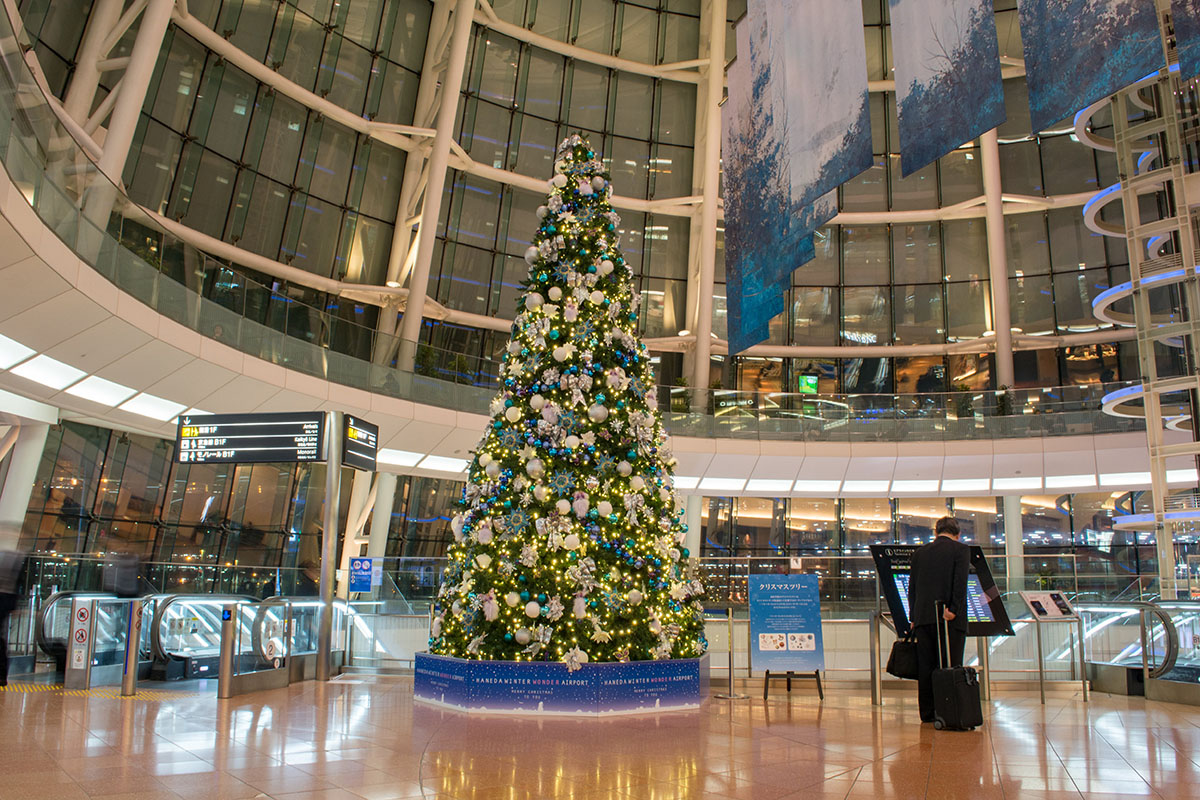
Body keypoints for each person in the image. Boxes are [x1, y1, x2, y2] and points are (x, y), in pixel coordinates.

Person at [908, 515, 970, 723]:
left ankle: (927, 713)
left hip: (923, 617)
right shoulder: (961, 550)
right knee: (951, 665)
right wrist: (954, 609)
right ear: (957, 534)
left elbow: (913, 587)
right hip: (948, 619)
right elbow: (960, 584)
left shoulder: (920, 553)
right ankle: (949, 711)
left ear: (936, 532)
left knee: (926, 666)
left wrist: (913, 616)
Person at [0, 548, 25, 687]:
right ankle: (2, 675)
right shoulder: (15, 555)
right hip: (7, 598)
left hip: (4, 598)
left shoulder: (11, 554)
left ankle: (2, 674)